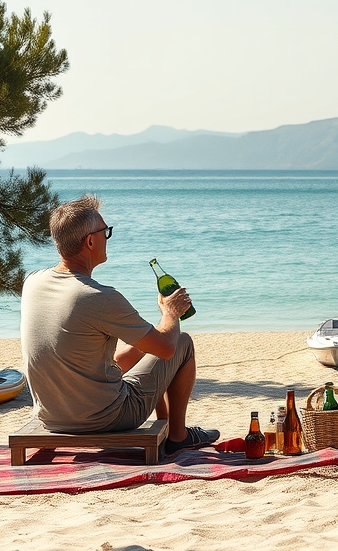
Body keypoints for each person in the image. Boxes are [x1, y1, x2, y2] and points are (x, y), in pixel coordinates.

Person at [20, 195, 219, 457]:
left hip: (52, 416)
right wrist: (170, 313)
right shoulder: (98, 297)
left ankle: (169, 429)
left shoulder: (32, 282)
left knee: (140, 348)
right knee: (182, 343)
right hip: (106, 417)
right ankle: (178, 436)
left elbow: (81, 353)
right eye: (105, 232)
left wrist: (153, 334)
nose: (107, 237)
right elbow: (167, 348)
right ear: (90, 241)